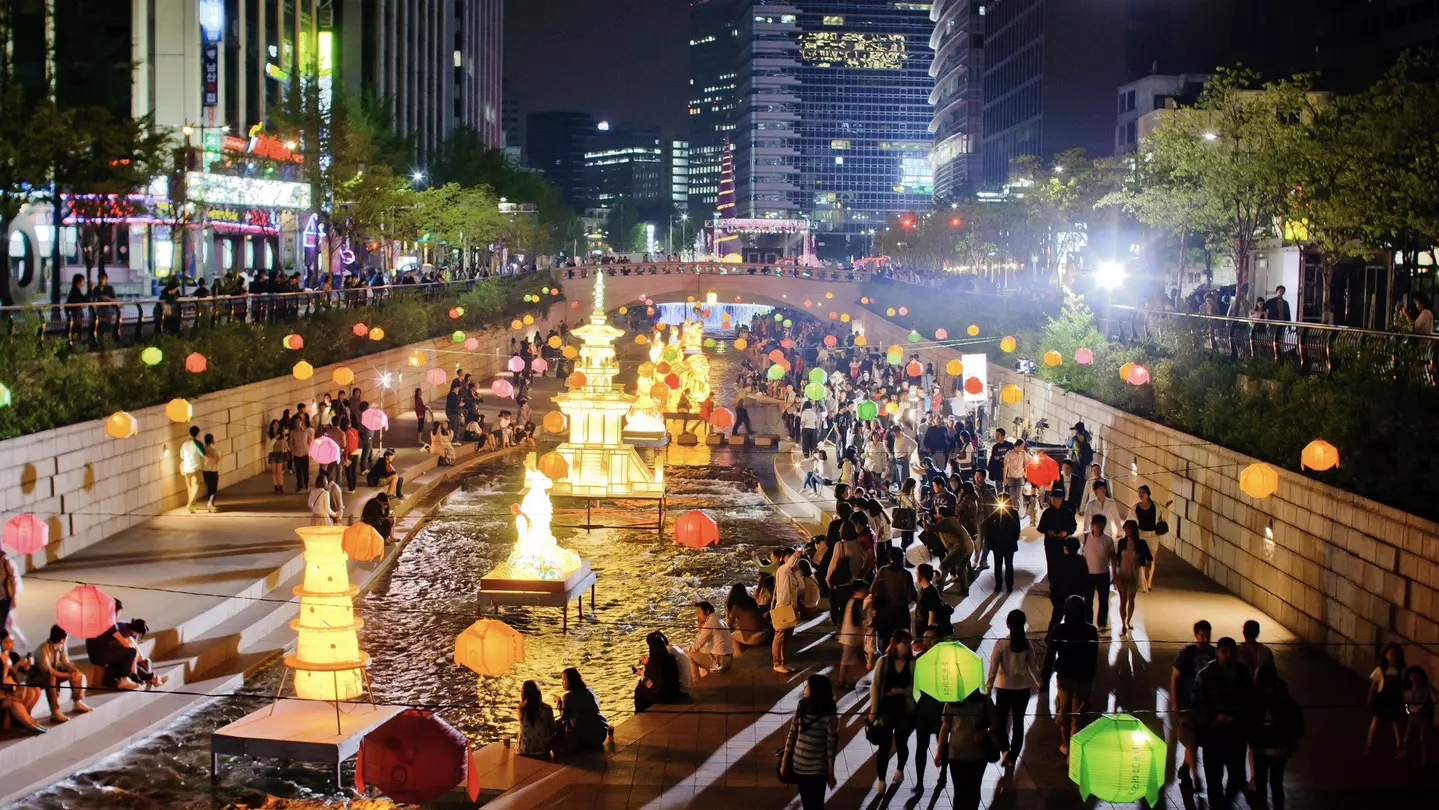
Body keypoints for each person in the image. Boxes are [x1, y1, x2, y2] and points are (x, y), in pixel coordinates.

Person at [1194, 636, 1256, 809]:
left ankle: (1225, 803)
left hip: (1236, 734)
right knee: (1214, 778)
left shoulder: (1244, 674)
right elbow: (1198, 703)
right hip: (1213, 734)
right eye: (1224, 652)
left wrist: (1238, 719)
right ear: (1217, 653)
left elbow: (1250, 702)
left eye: (1231, 652)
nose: (1228, 656)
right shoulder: (1206, 675)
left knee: (1236, 776)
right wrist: (1214, 718)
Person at [986, 609, 1039, 768]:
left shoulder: (1001, 644)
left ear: (1008, 624)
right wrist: (1040, 683)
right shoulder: (1027, 644)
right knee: (1018, 723)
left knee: (1000, 722)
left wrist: (988, 689)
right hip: (1022, 690)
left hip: (1004, 689)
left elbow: (993, 669)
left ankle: (1004, 749)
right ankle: (1013, 757)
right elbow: (1034, 668)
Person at [779, 673, 839, 810]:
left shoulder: (828, 715)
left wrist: (830, 773)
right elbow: (792, 734)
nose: (804, 689)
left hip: (815, 770)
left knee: (814, 805)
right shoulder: (802, 706)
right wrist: (784, 761)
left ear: (816, 691)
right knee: (810, 803)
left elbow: (831, 746)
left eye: (807, 686)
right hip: (802, 768)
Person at [935, 678, 996, 810]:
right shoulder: (951, 702)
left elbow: (995, 724)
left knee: (973, 790)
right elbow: (945, 728)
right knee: (960, 791)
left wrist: (984, 732)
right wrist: (939, 752)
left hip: (978, 755)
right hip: (957, 754)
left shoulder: (985, 701)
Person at [1250, 664, 1303, 810]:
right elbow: (1297, 725)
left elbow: (1250, 722)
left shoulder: (1256, 698)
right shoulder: (1286, 699)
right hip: (1279, 750)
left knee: (1261, 785)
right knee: (1276, 784)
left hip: (1261, 748)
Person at [869, 629, 916, 794]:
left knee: (901, 743)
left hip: (905, 709)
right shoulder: (884, 661)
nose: (906, 646)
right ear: (895, 643)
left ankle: (900, 770)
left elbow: (916, 687)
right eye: (903, 642)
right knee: (884, 745)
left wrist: (901, 691)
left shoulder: (912, 663)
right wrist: (873, 709)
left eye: (908, 643)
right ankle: (881, 779)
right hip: (885, 709)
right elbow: (875, 685)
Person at [1171, 619, 1217, 788]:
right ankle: (1196, 776)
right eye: (1202, 636)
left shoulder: (1214, 653)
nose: (1205, 639)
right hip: (1188, 704)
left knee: (1195, 740)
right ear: (1196, 635)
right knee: (1192, 740)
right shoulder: (1187, 653)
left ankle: (1185, 767)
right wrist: (1175, 704)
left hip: (1206, 705)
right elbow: (1175, 678)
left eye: (1207, 636)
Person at [1051, 594, 1098, 754]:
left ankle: (1066, 745)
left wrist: (1043, 678)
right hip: (1083, 678)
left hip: (1064, 678)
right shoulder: (1091, 631)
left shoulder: (1059, 630)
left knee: (1064, 713)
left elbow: (1050, 655)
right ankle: (1075, 751)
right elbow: (1093, 658)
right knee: (1077, 717)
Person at [31, 625, 91, 723]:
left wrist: (73, 670)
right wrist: (68, 675)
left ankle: (77, 701)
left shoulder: (61, 646)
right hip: (38, 677)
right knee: (51, 678)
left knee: (76, 673)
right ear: (62, 639)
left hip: (54, 674)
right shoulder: (43, 650)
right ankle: (55, 711)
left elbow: (65, 662)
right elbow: (49, 671)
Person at [870, 547, 917, 654]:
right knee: (901, 641)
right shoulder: (906, 574)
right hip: (901, 613)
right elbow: (912, 596)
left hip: (884, 613)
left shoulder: (882, 571)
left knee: (885, 640)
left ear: (889, 558)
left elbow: (871, 590)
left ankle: (886, 660)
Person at [1112, 519, 1154, 636]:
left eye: (1128, 528)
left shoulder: (1141, 544)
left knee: (1131, 599)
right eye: (1125, 528)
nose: (1126, 531)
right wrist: (1115, 573)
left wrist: (1145, 566)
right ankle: (1123, 624)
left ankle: (1128, 621)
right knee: (1122, 600)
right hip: (1123, 572)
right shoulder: (1121, 543)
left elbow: (1149, 558)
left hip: (1135, 573)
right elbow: (1117, 558)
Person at [1366, 642, 1407, 757]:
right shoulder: (1380, 670)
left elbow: (1404, 687)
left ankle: (1399, 748)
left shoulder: (1402, 671)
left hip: (1395, 700)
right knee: (1375, 724)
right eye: (1391, 654)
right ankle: (1369, 747)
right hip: (1382, 699)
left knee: (1397, 727)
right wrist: (1370, 697)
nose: (1394, 657)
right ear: (1385, 655)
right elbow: (1374, 685)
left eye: (1396, 655)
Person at [554, 667, 608, 755]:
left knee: (560, 724)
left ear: (570, 681)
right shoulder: (590, 691)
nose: (562, 682)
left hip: (583, 739)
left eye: (564, 680)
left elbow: (564, 717)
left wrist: (559, 702)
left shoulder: (567, 697)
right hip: (601, 734)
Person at [0, 633, 45, 734]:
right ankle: (28, 723)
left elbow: (23, 671)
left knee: (36, 690)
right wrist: (9, 668)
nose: (9, 644)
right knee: (20, 696)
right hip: (5, 690)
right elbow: (3, 678)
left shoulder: (11, 656)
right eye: (6, 642)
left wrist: (27, 665)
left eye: (11, 642)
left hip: (11, 687)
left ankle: (27, 720)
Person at [1081, 514, 1116, 633]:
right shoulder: (1085, 537)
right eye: (1097, 525)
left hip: (1103, 573)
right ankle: (1088, 622)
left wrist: (1115, 574)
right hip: (1088, 574)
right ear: (1093, 525)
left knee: (1103, 600)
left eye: (1102, 526)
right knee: (1088, 600)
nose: (1099, 528)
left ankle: (1101, 623)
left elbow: (1113, 558)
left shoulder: (1108, 540)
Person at [769, 547, 802, 673]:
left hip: (791, 608)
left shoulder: (791, 573)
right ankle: (776, 663)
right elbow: (789, 563)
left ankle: (785, 662)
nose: (793, 561)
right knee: (779, 637)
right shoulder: (782, 570)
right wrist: (796, 554)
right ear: (784, 558)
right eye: (789, 557)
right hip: (783, 607)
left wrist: (798, 571)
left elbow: (801, 587)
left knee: (788, 637)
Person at [835, 579, 871, 689]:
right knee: (847, 660)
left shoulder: (854, 602)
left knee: (859, 660)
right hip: (851, 638)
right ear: (857, 591)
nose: (866, 593)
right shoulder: (855, 604)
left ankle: (860, 679)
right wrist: (866, 623)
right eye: (864, 591)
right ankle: (842, 681)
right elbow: (857, 622)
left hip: (853, 638)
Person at [633, 632, 681, 712]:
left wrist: (642, 677)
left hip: (663, 697)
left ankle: (639, 712)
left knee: (639, 689)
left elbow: (649, 679)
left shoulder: (655, 661)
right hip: (674, 694)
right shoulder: (671, 657)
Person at [686, 601, 734, 680]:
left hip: (720, 662)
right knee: (703, 651)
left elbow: (698, 644)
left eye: (699, 613)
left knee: (689, 655)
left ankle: (696, 683)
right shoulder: (718, 620)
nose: (697, 617)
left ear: (707, 612)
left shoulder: (710, 623)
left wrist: (682, 651)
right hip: (728, 660)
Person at [985, 494, 1021, 594]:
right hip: (997, 544)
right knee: (998, 564)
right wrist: (990, 542)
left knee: (1009, 564)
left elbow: (1017, 528)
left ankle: (1009, 585)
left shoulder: (1013, 513)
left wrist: (1014, 539)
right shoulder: (994, 513)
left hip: (1009, 544)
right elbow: (988, 529)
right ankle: (998, 584)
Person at [1038, 487, 1077, 571]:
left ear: (1060, 499)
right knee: (1051, 562)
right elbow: (1041, 527)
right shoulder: (1047, 513)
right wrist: (1048, 531)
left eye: (1054, 498)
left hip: (1063, 542)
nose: (1052, 500)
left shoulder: (1067, 512)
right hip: (1050, 542)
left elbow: (1073, 526)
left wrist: (1066, 532)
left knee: (1062, 563)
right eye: (1051, 498)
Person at [1403, 665, 1433, 765]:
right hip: (1412, 718)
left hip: (1424, 718)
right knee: (1407, 739)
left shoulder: (1427, 689)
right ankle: (1408, 754)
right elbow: (1406, 704)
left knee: (1423, 739)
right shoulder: (1407, 691)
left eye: (1417, 675)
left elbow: (1434, 701)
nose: (1414, 678)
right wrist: (1408, 711)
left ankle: (1425, 761)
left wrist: (1425, 709)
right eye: (1412, 676)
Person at [725, 584, 771, 648]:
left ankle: (739, 657)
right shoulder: (751, 600)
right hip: (764, 633)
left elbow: (729, 626)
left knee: (732, 636)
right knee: (738, 630)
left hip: (755, 637)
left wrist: (727, 614)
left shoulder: (735, 606)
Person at [517, 680, 555, 757]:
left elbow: (522, 728)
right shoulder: (547, 708)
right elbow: (552, 727)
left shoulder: (521, 708)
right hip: (544, 748)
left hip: (526, 749)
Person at [914, 565, 952, 637]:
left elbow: (931, 616)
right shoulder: (924, 587)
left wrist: (928, 636)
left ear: (922, 575)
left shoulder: (930, 593)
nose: (916, 574)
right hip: (921, 627)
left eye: (917, 572)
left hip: (925, 630)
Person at [178, 425, 206, 512]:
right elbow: (202, 454)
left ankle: (193, 506)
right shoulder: (198, 443)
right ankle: (190, 503)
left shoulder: (185, 444)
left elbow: (181, 455)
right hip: (195, 468)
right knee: (196, 486)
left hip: (186, 468)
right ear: (198, 433)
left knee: (190, 487)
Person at [288, 414, 314, 492]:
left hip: (305, 453)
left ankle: (306, 483)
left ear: (301, 422)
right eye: (296, 422)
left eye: (299, 421)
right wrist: (293, 449)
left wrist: (310, 451)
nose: (298, 423)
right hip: (296, 453)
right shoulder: (292, 432)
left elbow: (310, 441)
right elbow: (291, 443)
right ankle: (300, 486)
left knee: (305, 470)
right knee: (298, 471)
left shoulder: (306, 431)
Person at [201, 433, 221, 512]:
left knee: (209, 488)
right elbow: (218, 461)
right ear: (212, 440)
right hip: (213, 472)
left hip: (205, 472)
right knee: (214, 489)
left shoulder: (203, 451)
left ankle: (210, 502)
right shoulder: (215, 450)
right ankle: (210, 503)